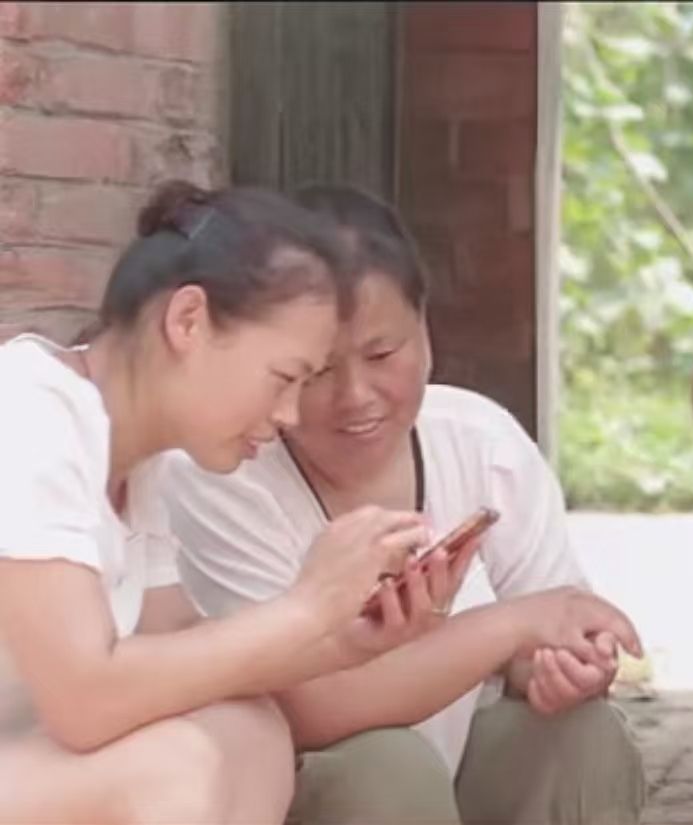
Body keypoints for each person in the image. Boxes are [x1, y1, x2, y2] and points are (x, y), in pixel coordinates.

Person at [160, 185, 646, 825]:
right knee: (386, 769)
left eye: (382, 354)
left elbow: (550, 631)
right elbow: (309, 706)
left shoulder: (480, 440)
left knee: (582, 737)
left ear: (425, 326)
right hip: (310, 792)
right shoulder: (220, 469)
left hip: (460, 777)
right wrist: (513, 626)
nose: (356, 396)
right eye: (316, 370)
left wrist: (559, 668)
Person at [0, 181, 430, 823]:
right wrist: (306, 608)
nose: (289, 415)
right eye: (285, 378)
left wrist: (343, 641)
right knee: (168, 767)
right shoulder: (30, 411)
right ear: (188, 321)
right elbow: (84, 700)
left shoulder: (133, 460)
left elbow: (179, 646)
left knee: (246, 724)